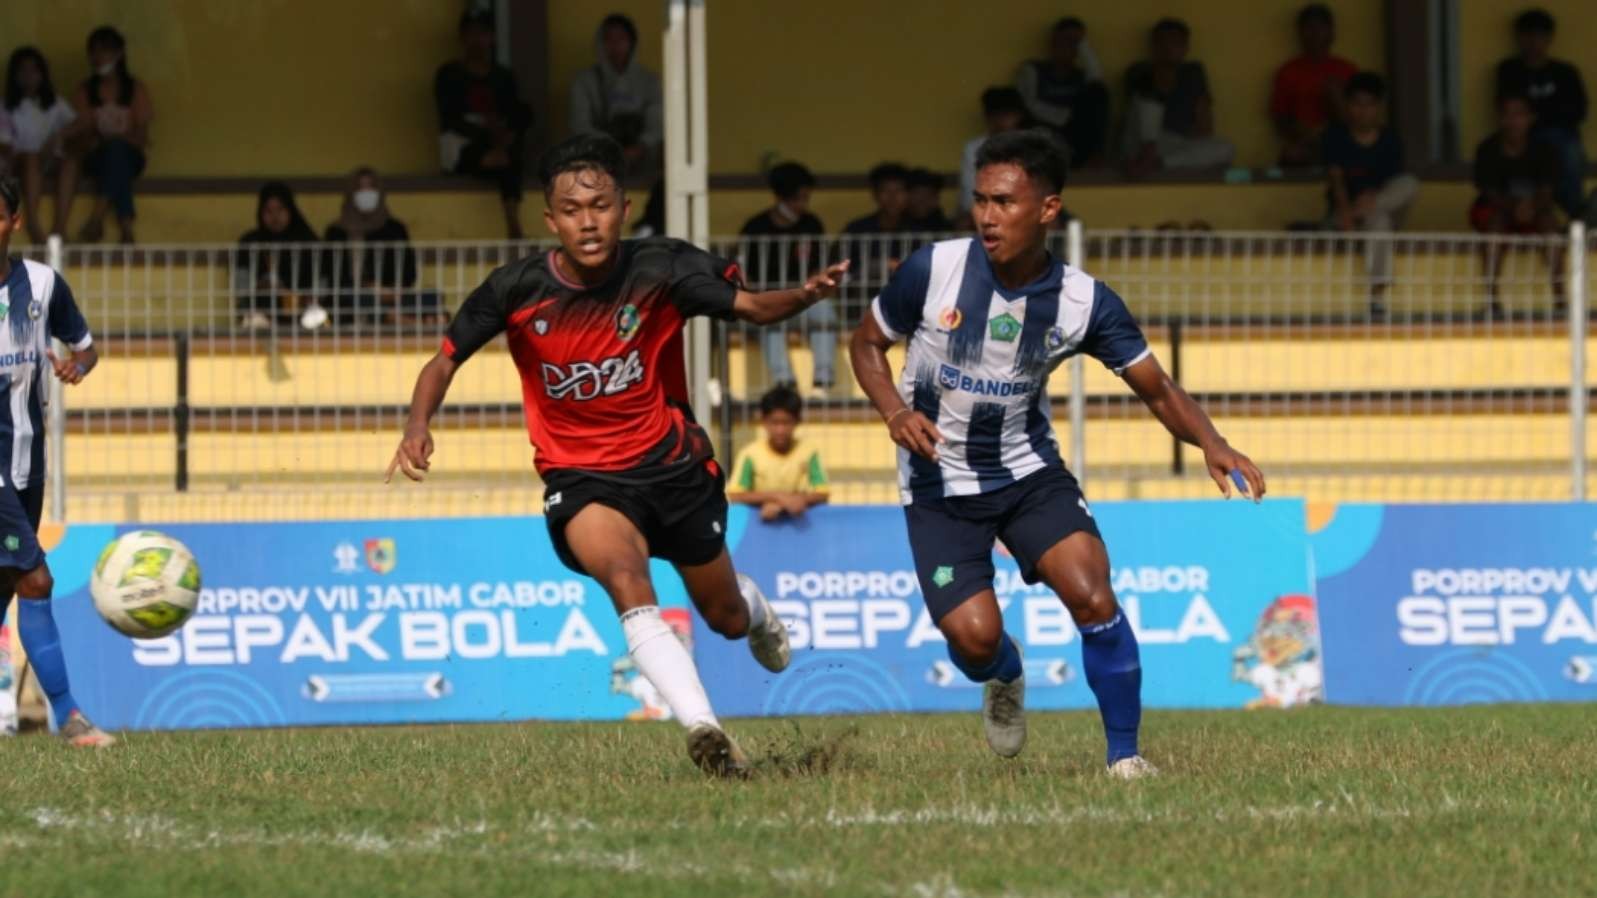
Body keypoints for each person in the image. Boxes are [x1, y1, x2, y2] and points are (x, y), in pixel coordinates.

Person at [386, 134, 851, 776]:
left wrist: (801, 297)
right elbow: (444, 359)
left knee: (722, 615)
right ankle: (705, 730)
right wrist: (417, 423)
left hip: (674, 468)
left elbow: (749, 307)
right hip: (582, 479)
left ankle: (756, 610)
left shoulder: (662, 269)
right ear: (551, 219)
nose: (588, 220)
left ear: (623, 208)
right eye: (572, 209)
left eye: (599, 205)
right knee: (628, 582)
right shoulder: (515, 289)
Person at [848, 129, 1265, 778]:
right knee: (974, 638)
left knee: (1092, 594)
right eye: (980, 200)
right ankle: (1005, 675)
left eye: (1005, 202)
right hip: (936, 486)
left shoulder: (1082, 302)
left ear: (1047, 209)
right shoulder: (932, 269)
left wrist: (1210, 441)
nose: (987, 216)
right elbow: (865, 344)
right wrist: (894, 412)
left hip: (1026, 472)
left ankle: (1124, 756)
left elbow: (1154, 386)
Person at [0, 175, 116, 747]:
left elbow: (86, 347)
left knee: (5, 588)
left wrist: (78, 367)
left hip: (27, 463)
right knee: (36, 579)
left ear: (14, 221)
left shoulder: (43, 284)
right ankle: (70, 718)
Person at [1322, 73, 1418, 315]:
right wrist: (1347, 211)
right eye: (1356, 103)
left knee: (1409, 183)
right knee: (1379, 221)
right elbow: (1336, 180)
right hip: (1345, 216)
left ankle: (1366, 209)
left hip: (1378, 205)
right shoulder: (1335, 136)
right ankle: (1376, 297)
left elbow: (1393, 181)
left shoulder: (1390, 140)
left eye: (1369, 104)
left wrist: (1372, 199)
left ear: (1378, 107)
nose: (1362, 111)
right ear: (1347, 105)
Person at [435, 10, 533, 239]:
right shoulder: (449, 75)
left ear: (492, 38)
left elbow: (520, 113)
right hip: (463, 147)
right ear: (462, 38)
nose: (477, 40)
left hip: (498, 147)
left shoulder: (503, 77)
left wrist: (506, 134)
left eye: (483, 34)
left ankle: (513, 224)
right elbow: (449, 120)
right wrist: (485, 134)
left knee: (510, 160)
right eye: (471, 34)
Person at [739, 162, 835, 391]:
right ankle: (784, 381)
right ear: (781, 197)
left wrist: (809, 288)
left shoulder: (812, 224)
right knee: (769, 322)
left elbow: (819, 266)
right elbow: (743, 272)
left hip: (804, 298)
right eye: (797, 199)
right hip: (768, 300)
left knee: (825, 313)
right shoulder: (755, 228)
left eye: (805, 198)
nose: (802, 204)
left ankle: (824, 377)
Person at [1471, 92, 1564, 311]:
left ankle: (1560, 299)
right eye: (1507, 115)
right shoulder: (1488, 148)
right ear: (1500, 119)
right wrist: (1515, 207)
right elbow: (1489, 191)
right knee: (1493, 231)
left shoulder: (1544, 149)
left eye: (1519, 114)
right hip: (1498, 210)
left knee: (1552, 230)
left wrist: (1530, 207)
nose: (1513, 120)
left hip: (1536, 209)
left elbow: (1548, 189)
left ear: (1531, 118)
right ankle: (1491, 300)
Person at [1496, 9, 1587, 219]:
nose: (1533, 43)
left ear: (1549, 39)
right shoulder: (1510, 70)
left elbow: (1578, 112)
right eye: (1528, 36)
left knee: (1568, 151)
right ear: (1518, 38)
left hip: (1561, 137)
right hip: (1522, 136)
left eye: (1539, 36)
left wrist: (1536, 114)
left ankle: (1577, 217)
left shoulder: (1565, 72)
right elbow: (1506, 107)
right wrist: (1535, 116)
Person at [324, 168, 438, 329]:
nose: (366, 192)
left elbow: (409, 272)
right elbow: (334, 278)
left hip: (396, 296)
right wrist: (372, 288)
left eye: (371, 187)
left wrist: (392, 291)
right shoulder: (336, 232)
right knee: (350, 299)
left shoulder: (395, 229)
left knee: (432, 296)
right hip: (357, 298)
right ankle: (400, 319)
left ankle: (398, 317)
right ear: (350, 193)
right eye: (360, 188)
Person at [68, 26, 152, 245]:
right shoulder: (84, 91)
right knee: (116, 162)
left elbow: (141, 140)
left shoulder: (135, 89)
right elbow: (81, 138)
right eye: (93, 51)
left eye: (104, 51)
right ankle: (126, 226)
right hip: (96, 158)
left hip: (130, 155)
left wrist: (116, 140)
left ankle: (96, 219)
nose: (97, 57)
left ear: (119, 53)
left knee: (118, 153)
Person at [1121, 18, 1235, 175]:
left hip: (1176, 144)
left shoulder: (1194, 73)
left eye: (1175, 42)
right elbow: (1135, 119)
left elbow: (1206, 127)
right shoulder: (1138, 71)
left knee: (1225, 148)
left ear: (1186, 47)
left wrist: (1183, 140)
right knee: (1147, 99)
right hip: (1143, 142)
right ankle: (1152, 161)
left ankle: (1159, 164)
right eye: (1162, 42)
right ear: (1153, 46)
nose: (1168, 47)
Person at [569, 14, 663, 180]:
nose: (615, 46)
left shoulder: (649, 81)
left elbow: (657, 123)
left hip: (643, 160)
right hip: (598, 161)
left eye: (621, 38)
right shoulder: (584, 81)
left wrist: (640, 146)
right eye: (608, 39)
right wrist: (610, 147)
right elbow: (579, 124)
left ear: (632, 42)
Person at [2, 48, 77, 244]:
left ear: (43, 74)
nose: (29, 76)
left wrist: (58, 137)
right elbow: (6, 146)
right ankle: (33, 223)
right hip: (18, 161)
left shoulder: (55, 103)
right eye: (23, 70)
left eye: (34, 70)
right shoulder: (6, 106)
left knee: (70, 163)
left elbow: (78, 124)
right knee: (31, 158)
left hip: (48, 158)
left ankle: (60, 226)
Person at [1270, 4, 1358, 166]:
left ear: (1332, 33)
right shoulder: (1288, 71)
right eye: (1309, 28)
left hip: (1343, 142)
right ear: (1300, 33)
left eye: (1321, 27)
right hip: (1305, 143)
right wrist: (1305, 133)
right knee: (1291, 155)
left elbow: (1361, 117)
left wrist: (1336, 99)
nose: (1315, 34)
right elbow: (1280, 118)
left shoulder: (1347, 69)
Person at [728, 385, 830, 523]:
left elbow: (822, 492)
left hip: (799, 526)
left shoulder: (809, 451)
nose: (780, 430)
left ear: (797, 421)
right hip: (759, 526)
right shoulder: (750, 454)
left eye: (786, 423)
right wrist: (779, 497)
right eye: (774, 423)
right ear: (763, 421)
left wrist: (784, 504)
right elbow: (736, 495)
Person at [1016, 18, 1109, 167]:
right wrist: (1064, 116)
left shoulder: (1081, 75)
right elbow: (1027, 104)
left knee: (1098, 93)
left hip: (1074, 134)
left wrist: (1083, 47)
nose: (1068, 46)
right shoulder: (1033, 70)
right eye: (1065, 40)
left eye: (1074, 42)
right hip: (1043, 128)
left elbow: (1097, 82)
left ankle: (1094, 157)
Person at [235, 182, 326, 332]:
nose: (275, 216)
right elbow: (240, 288)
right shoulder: (250, 242)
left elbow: (323, 283)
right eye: (268, 211)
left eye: (280, 209)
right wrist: (262, 286)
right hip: (261, 312)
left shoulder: (308, 241)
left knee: (317, 320)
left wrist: (299, 296)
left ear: (290, 210)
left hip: (303, 312)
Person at [959, 87, 1032, 228]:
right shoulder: (973, 148)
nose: (1003, 120)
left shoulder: (1027, 146)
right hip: (983, 207)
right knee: (964, 223)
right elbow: (968, 191)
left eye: (1008, 115)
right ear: (988, 117)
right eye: (999, 115)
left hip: (1021, 207)